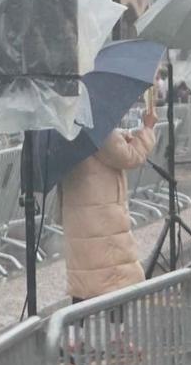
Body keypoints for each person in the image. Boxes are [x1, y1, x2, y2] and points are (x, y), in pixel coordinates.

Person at [64, 102, 158, 302]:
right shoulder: (96, 122)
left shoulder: (66, 120)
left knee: (85, 280)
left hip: (80, 218)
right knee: (114, 284)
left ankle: (79, 331)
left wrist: (122, 137)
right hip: (104, 219)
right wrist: (147, 128)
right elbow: (129, 156)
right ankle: (117, 331)